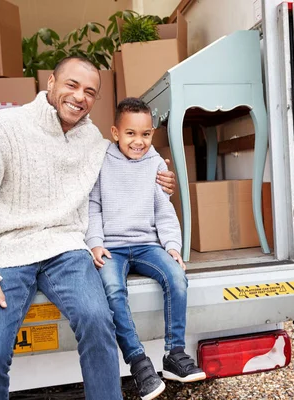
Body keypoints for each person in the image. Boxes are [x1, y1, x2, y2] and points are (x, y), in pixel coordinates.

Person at [0, 57, 175, 400]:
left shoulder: (93, 142)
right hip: (6, 252)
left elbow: (133, 149)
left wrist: (160, 175)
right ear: (51, 83)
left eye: (90, 91)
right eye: (72, 85)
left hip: (67, 249)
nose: (80, 96)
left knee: (98, 323)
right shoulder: (2, 128)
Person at [85, 98, 206, 400]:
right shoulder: (101, 160)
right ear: (115, 132)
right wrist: (95, 242)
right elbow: (93, 206)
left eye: (146, 134)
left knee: (176, 276)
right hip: (112, 246)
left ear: (152, 134)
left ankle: (174, 354)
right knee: (112, 289)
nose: (138, 141)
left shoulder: (155, 163)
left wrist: (172, 246)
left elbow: (163, 211)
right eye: (130, 133)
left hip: (146, 245)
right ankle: (138, 362)